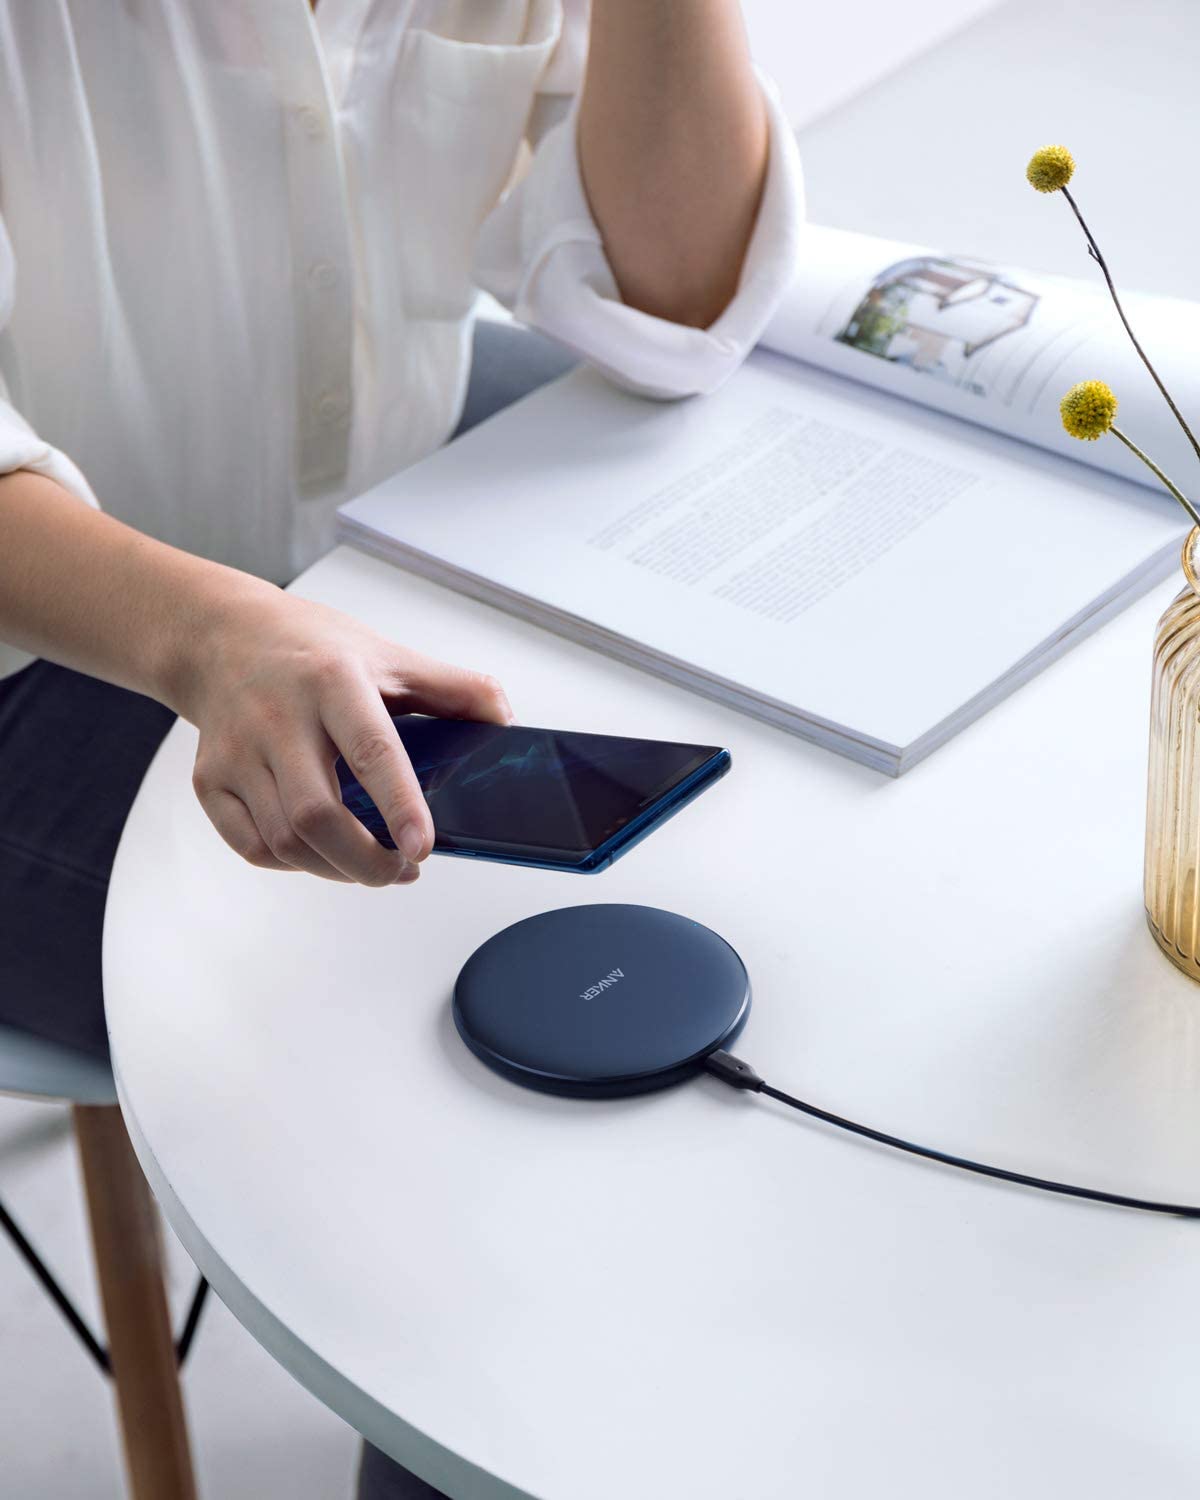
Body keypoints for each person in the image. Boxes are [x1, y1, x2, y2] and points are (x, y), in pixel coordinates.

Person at [0, 3, 802, 1494]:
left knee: (763, 845)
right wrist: (208, 638)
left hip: (358, 536)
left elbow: (679, 301)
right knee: (514, 1064)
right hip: (30, 655)